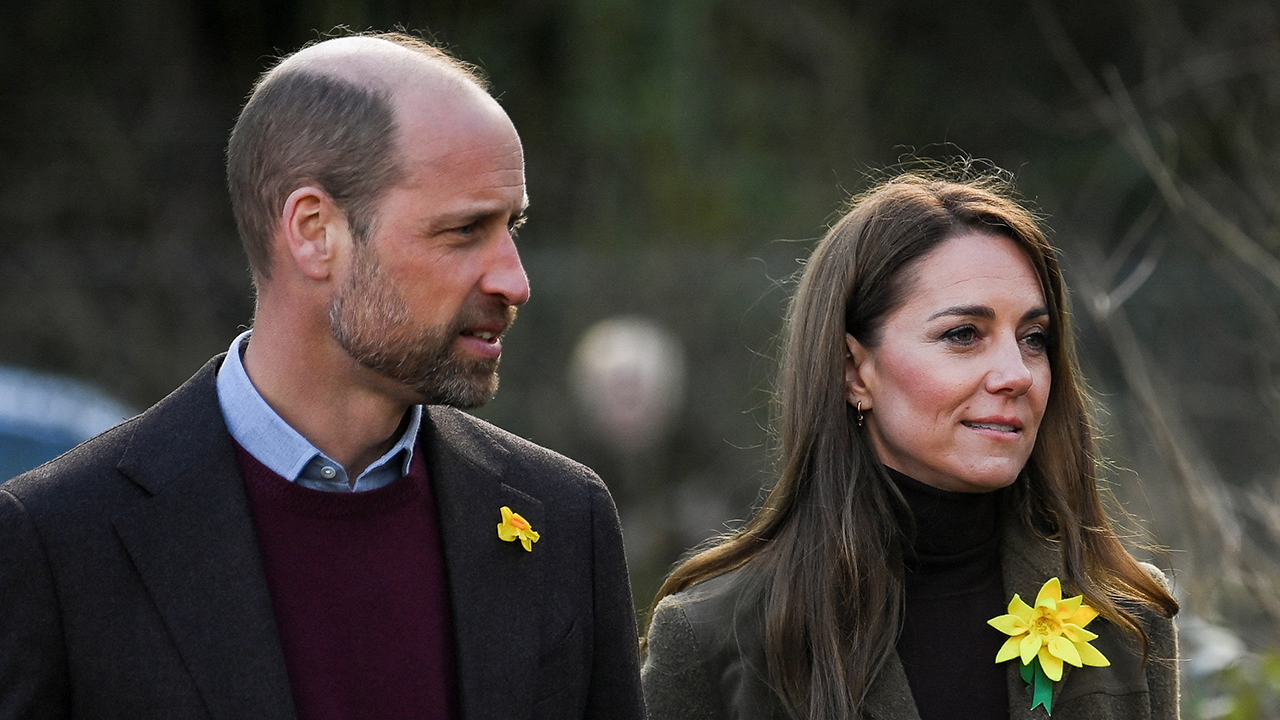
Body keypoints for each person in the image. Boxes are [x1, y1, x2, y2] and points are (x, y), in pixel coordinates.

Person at [0, 32, 643, 720]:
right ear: (314, 231)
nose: (514, 280)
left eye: (511, 226)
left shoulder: (565, 521)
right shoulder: (61, 542)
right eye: (464, 231)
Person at [641, 171, 1180, 720]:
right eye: (963, 334)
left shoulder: (1124, 614)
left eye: (1034, 339)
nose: (1017, 374)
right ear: (854, 370)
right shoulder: (712, 639)